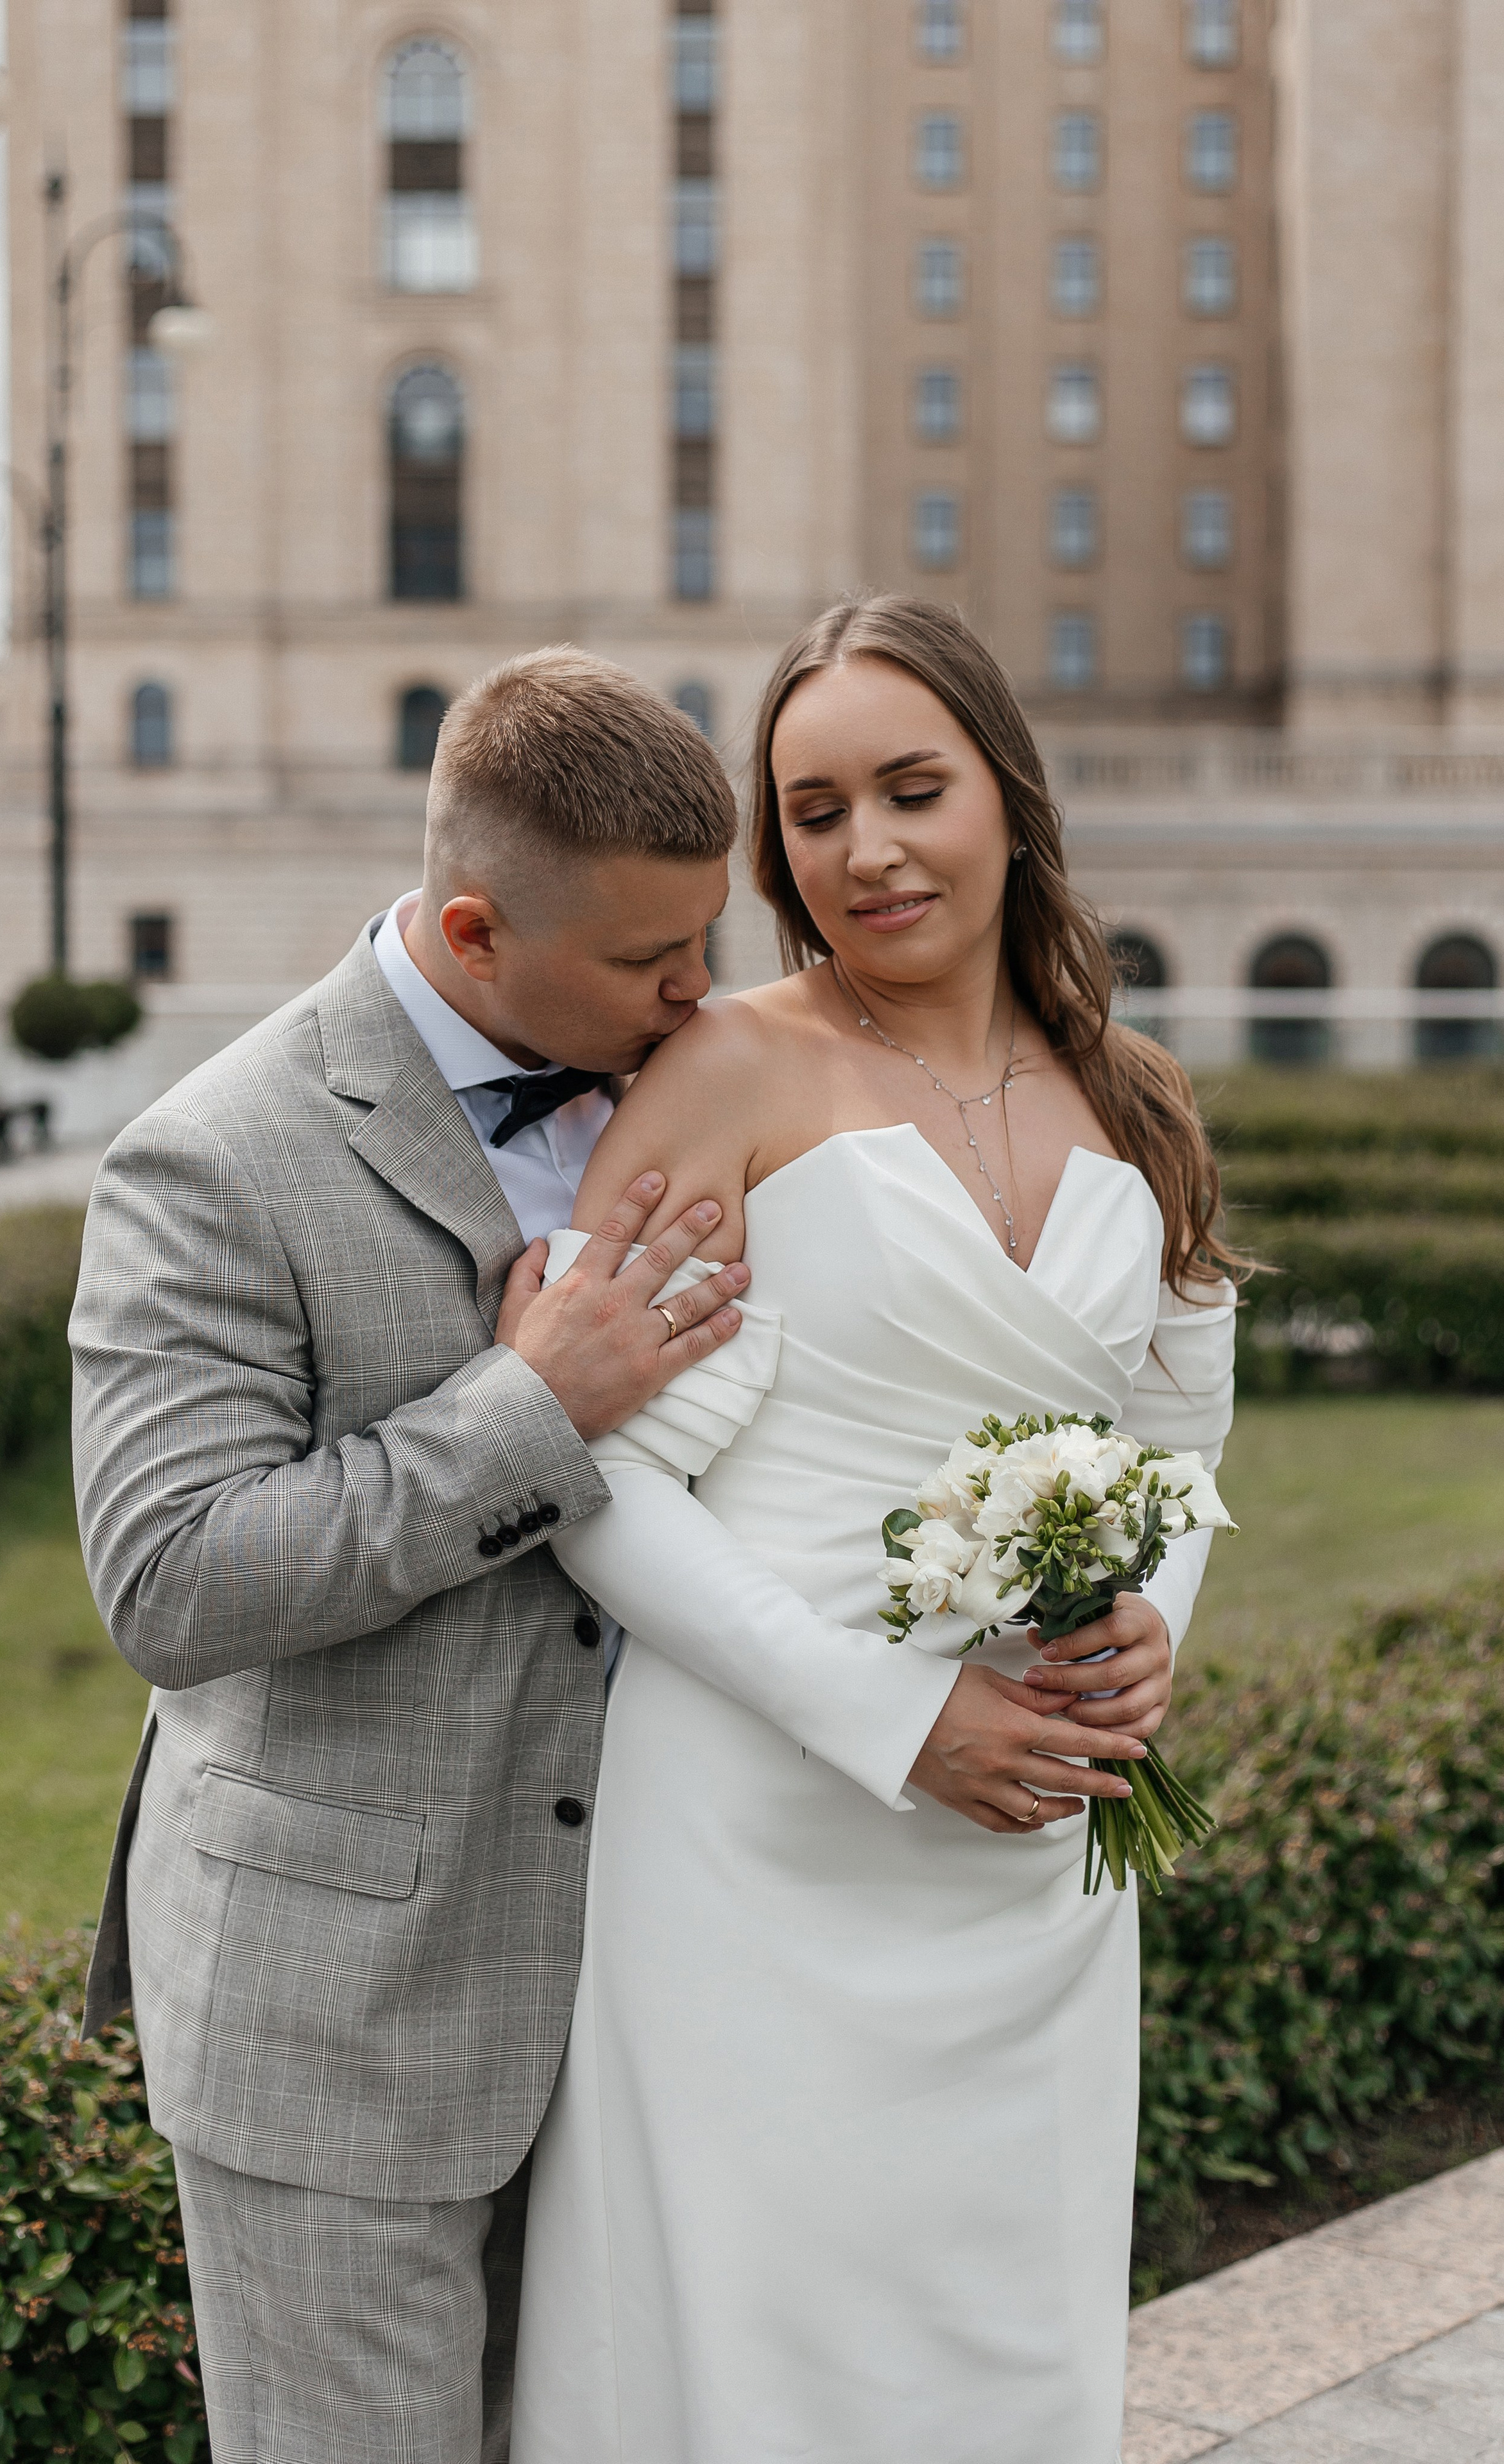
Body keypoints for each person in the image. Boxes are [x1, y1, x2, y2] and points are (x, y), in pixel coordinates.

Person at [69, 646, 1030, 2464]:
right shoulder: (210, 1161)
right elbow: (174, 1582)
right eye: (649, 961)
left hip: (658, 1993)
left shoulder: (699, 1084)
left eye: (708, 941)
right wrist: (530, 1408)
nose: (697, 994)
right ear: (474, 931)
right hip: (348, 2016)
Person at [509, 596, 1240, 2464]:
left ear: (1008, 795)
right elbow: (598, 1482)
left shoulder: (1138, 1098)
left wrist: (1151, 1623)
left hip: (1034, 1851)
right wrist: (894, 1718)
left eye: (914, 791)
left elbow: (1181, 1435)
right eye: (816, 813)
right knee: (753, 2350)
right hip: (757, 1841)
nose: (869, 853)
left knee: (1004, 2345)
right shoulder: (726, 1073)